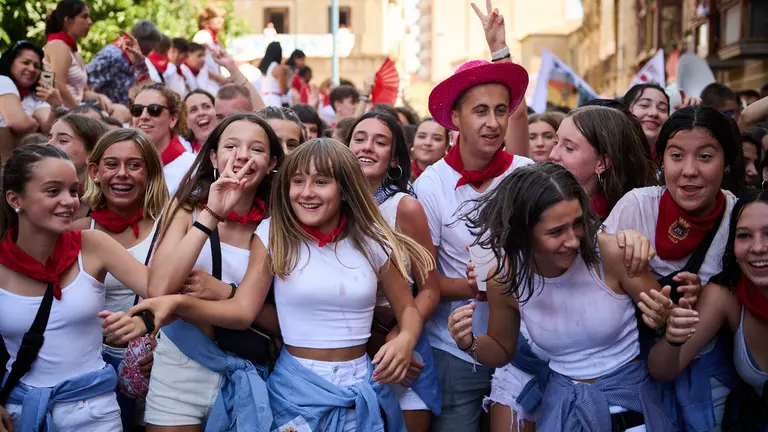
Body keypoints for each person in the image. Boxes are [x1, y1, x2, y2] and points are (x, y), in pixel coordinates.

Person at [131, 138, 431, 431]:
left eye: (321, 182)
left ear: (345, 188)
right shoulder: (274, 232)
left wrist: (405, 340)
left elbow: (407, 307)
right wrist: (176, 302)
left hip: (360, 386)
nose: (306, 193)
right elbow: (242, 311)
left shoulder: (372, 238)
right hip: (295, 390)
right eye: (297, 181)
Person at [448, 162, 675, 432]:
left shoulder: (612, 254)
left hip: (631, 408)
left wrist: (663, 318)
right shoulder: (505, 277)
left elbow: (668, 321)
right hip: (564, 410)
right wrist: (468, 342)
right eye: (556, 232)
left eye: (577, 224)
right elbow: (500, 348)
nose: (573, 240)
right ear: (523, 233)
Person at [127, 114, 282, 431]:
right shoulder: (186, 207)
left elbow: (287, 320)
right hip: (181, 364)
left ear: (272, 163)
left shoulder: (278, 225)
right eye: (230, 146)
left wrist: (222, 291)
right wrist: (212, 213)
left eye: (256, 149)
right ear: (213, 156)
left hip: (249, 367)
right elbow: (159, 288)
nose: (242, 156)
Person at [603, 105, 746, 431]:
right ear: (661, 161)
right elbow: (595, 285)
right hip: (634, 378)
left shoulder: (738, 217)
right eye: (677, 156)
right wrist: (614, 248)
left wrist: (709, 296)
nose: (690, 170)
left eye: (706, 157)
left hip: (710, 382)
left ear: (725, 163)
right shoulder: (636, 206)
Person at [0, 144, 152, 431]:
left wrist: (147, 322)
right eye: (53, 191)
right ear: (15, 198)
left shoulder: (92, 244)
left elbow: (162, 290)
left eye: (73, 191)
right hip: (20, 413)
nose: (69, 201)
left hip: (95, 411)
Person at [346, 111, 442, 430]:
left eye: (380, 141)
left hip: (403, 353)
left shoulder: (405, 207)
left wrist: (401, 337)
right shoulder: (324, 204)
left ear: (394, 157)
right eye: (359, 139)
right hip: (348, 354)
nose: (367, 147)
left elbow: (429, 288)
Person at [641, 189, 768, 431]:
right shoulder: (726, 296)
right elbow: (661, 370)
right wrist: (673, 338)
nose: (758, 247)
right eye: (744, 236)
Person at [71, 127, 168, 430]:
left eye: (134, 165)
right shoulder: (74, 231)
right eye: (112, 164)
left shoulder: (172, 227)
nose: (122, 174)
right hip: (92, 368)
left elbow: (190, 294)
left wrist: (167, 348)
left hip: (157, 366)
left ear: (150, 173)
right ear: (95, 171)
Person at [549, 106, 658, 219]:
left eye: (569, 148)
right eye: (556, 142)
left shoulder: (620, 220)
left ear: (601, 163)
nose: (552, 155)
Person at [43, 0, 113, 113]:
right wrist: (80, 112)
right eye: (84, 17)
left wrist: (101, 97)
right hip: (60, 110)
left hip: (76, 107)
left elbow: (84, 92)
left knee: (121, 111)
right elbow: (58, 85)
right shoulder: (58, 46)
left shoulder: (75, 52)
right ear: (67, 20)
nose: (90, 22)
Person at [130, 83, 196, 195]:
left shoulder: (192, 168)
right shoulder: (122, 164)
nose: (143, 116)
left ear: (173, 119)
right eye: (137, 110)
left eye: (154, 110)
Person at [0, 40, 62, 160]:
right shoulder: (3, 81)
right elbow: (21, 124)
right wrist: (35, 125)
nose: (32, 69)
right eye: (25, 62)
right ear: (11, 63)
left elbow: (48, 129)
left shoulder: (35, 96)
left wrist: (55, 107)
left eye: (37, 66)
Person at [86, 20, 160, 106]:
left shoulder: (137, 60)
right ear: (142, 46)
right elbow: (85, 83)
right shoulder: (112, 55)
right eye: (150, 48)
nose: (150, 52)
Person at [48, 114, 109, 215]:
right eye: (49, 138)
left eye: (63, 140)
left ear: (93, 152)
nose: (48, 144)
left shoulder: (111, 203)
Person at [192, 5, 229, 93]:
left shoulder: (214, 38)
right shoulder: (202, 35)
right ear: (207, 20)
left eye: (222, 17)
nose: (221, 20)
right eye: (216, 17)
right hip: (206, 84)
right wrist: (218, 78)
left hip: (215, 83)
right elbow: (194, 63)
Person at [258, 42, 288, 108]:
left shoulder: (264, 66)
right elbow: (283, 90)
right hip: (274, 100)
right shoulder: (278, 68)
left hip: (263, 98)